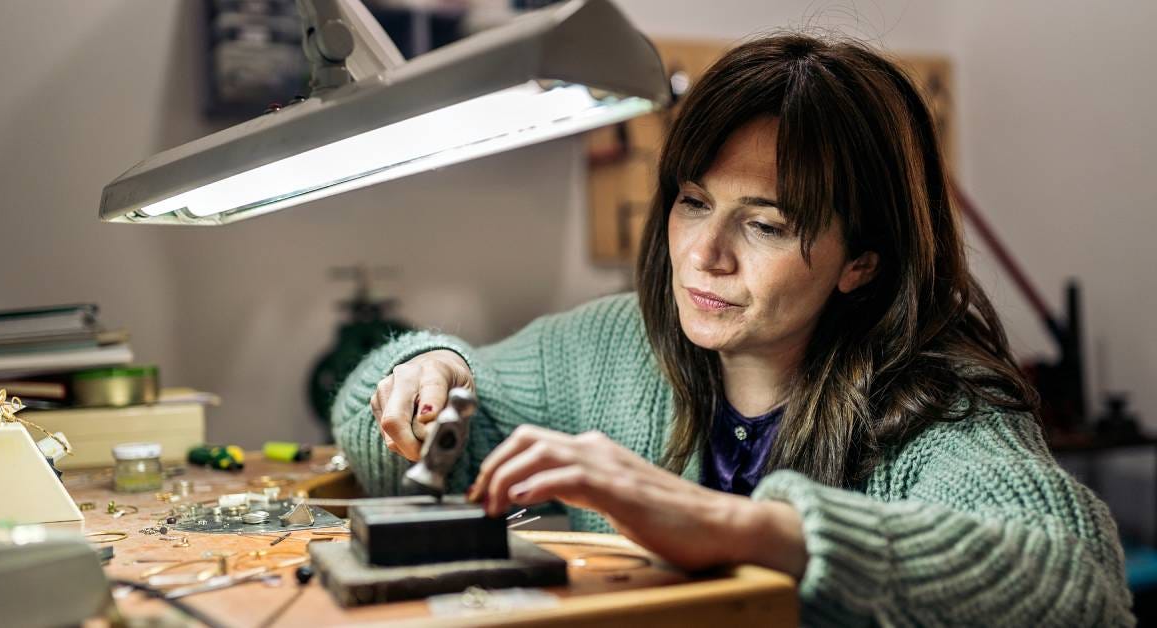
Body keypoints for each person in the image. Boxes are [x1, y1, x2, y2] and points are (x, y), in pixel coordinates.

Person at [332, 33, 1133, 625]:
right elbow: (377, 430)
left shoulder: (935, 407)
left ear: (860, 261)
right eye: (693, 202)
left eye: (767, 226)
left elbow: (1072, 581)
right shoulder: (616, 345)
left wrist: (732, 526)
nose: (704, 256)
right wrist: (431, 366)